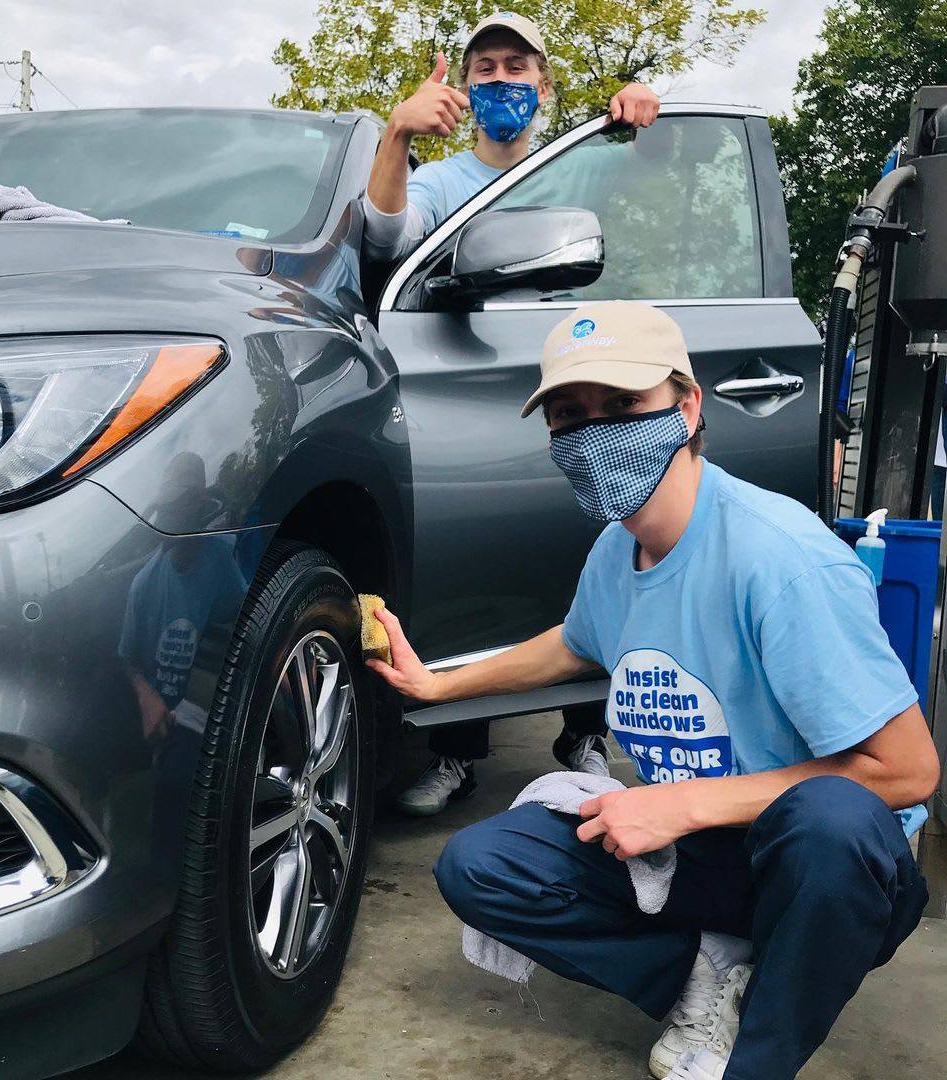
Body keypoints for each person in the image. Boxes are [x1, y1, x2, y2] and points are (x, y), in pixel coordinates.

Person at [366, 300, 939, 1080]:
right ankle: (702, 980)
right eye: (570, 414)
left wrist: (685, 803)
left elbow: (907, 771)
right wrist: (439, 686)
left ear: (688, 406)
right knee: (482, 864)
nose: (595, 431)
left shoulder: (780, 560)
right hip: (700, 849)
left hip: (815, 865)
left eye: (623, 402)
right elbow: (574, 643)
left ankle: (757, 1052)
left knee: (833, 821)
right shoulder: (617, 548)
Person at [364, 10, 660, 815]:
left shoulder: (577, 169)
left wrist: (641, 109)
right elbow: (386, 239)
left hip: (576, 389)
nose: (501, 81)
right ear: (464, 87)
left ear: (544, 84)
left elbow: (649, 178)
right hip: (475, 395)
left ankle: (585, 735)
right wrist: (397, 134)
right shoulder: (439, 181)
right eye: (485, 69)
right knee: (480, 566)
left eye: (517, 67)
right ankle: (457, 749)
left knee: (592, 548)